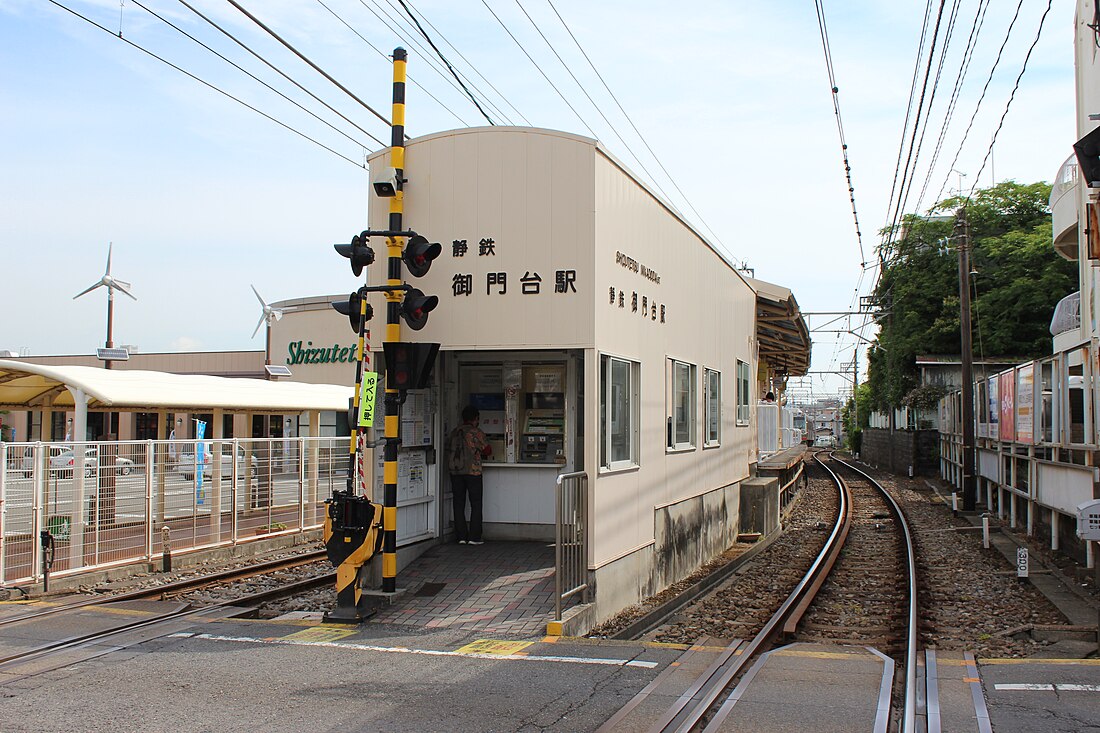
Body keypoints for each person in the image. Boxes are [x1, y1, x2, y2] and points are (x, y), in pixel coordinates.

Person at [447, 405, 492, 545]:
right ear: (475, 418)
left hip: (456, 471)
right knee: (476, 504)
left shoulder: (455, 432)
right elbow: (488, 450)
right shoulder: (476, 432)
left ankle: (461, 536)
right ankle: (474, 537)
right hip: (473, 471)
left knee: (458, 503)